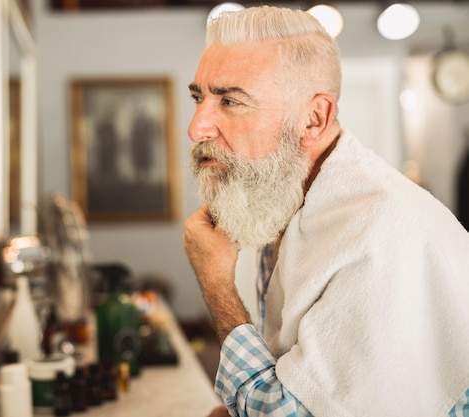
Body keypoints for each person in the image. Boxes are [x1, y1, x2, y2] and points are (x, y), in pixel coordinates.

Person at [182, 6, 469, 417]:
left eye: (230, 101)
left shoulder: (383, 234)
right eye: (199, 97)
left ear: (314, 118)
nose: (197, 127)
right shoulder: (286, 202)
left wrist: (216, 284)